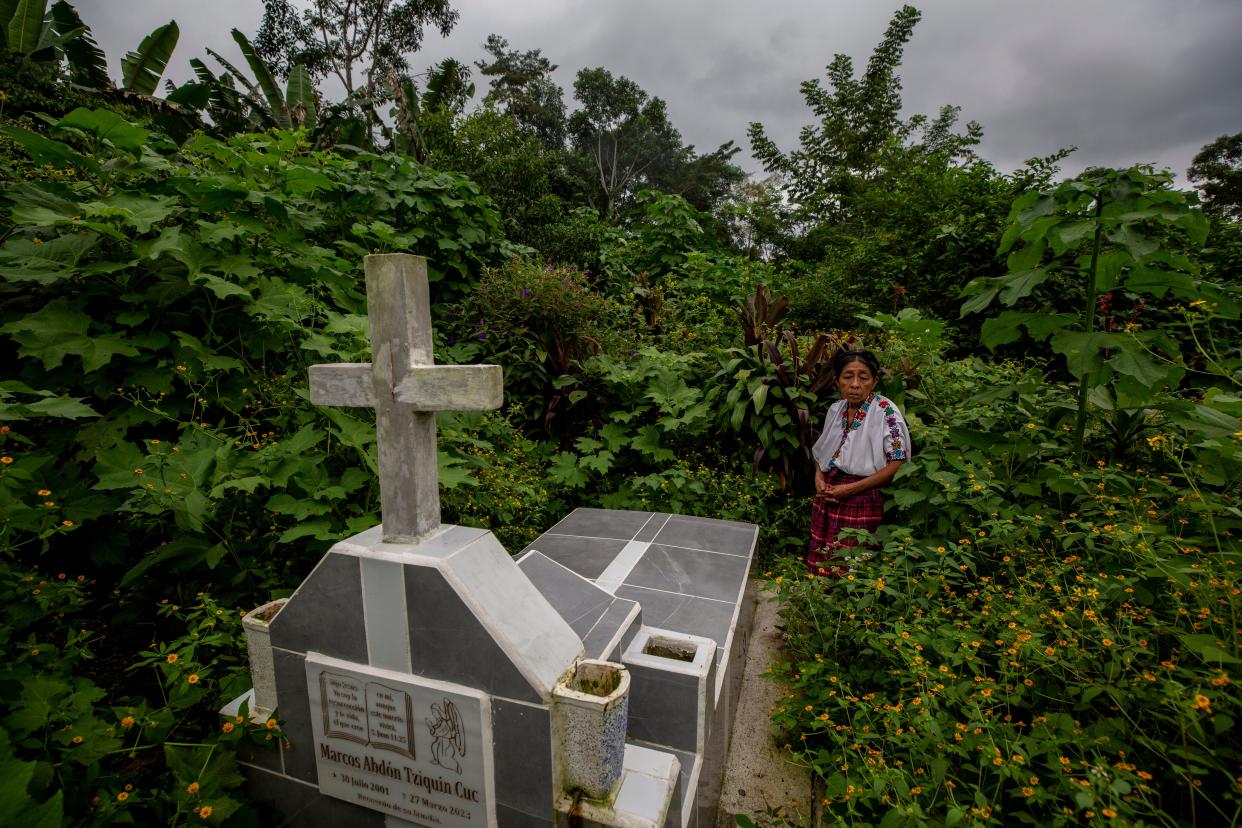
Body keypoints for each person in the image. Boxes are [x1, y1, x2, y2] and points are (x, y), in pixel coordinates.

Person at [807, 349, 911, 577]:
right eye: (847, 376)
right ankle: (819, 598)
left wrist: (851, 489)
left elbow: (897, 463)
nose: (855, 384)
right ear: (836, 381)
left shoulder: (886, 413)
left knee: (853, 560)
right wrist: (819, 477)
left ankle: (847, 606)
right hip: (832, 490)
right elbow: (823, 452)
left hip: (865, 493)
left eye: (863, 377)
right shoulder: (836, 410)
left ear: (874, 381)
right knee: (825, 551)